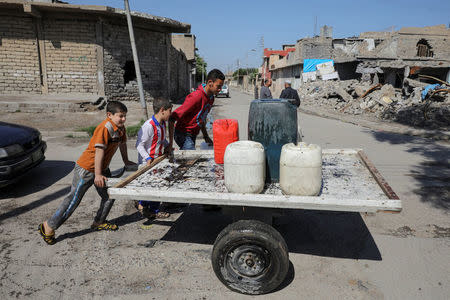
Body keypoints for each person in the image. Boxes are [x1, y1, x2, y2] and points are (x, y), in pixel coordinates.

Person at [38, 101, 136, 245]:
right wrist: (97, 174)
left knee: (110, 195)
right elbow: (99, 151)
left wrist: (126, 161)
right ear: (109, 115)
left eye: (125, 116)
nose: (124, 119)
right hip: (87, 169)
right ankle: (48, 226)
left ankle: (99, 222)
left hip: (102, 169)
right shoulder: (105, 128)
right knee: (73, 201)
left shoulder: (121, 129)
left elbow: (122, 144)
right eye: (121, 116)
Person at [169, 69, 225, 150]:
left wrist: (206, 136)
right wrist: (170, 144)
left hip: (192, 134)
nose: (220, 89)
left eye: (221, 87)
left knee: (188, 159)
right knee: (190, 160)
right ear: (210, 83)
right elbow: (172, 117)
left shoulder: (211, 98)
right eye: (218, 86)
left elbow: (202, 118)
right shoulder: (196, 96)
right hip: (183, 133)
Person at [135, 98, 172, 219]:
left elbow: (161, 139)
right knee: (153, 186)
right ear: (162, 110)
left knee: (154, 185)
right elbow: (139, 145)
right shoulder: (148, 126)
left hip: (158, 161)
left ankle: (143, 205)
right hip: (149, 162)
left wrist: (167, 146)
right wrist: (147, 158)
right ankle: (153, 210)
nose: (170, 114)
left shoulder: (162, 124)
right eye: (169, 111)